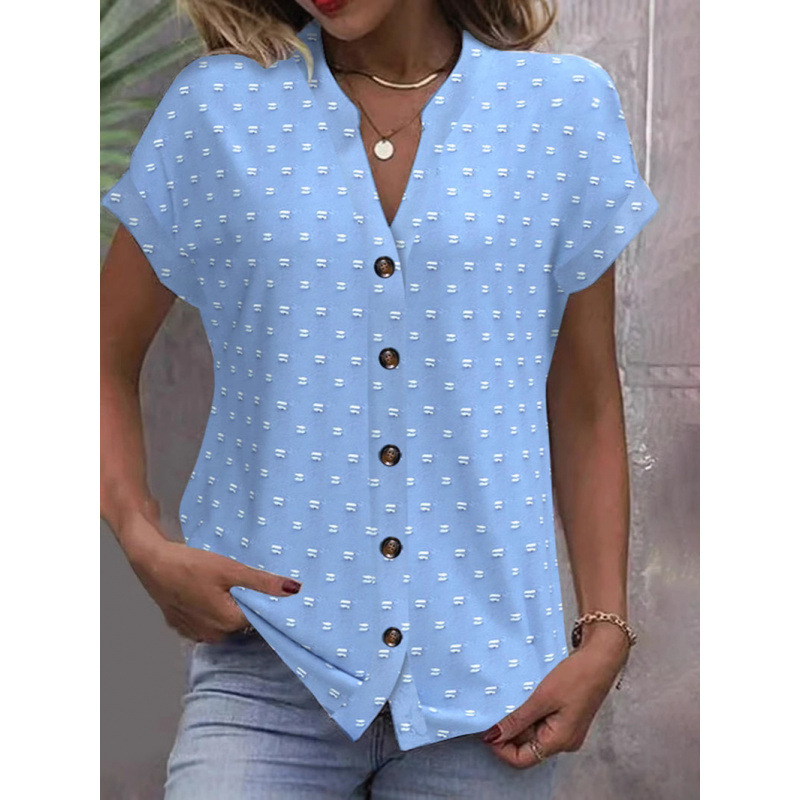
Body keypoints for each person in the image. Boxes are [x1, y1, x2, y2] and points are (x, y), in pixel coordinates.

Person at [100, 0, 658, 797]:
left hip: (491, 695)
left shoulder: (562, 109)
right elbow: (99, 353)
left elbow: (585, 399)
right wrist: (139, 537)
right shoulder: (218, 109)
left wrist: (604, 632)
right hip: (268, 671)